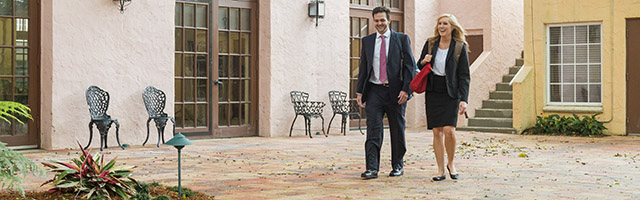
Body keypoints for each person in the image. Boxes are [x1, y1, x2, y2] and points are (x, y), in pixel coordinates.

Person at [356, 6, 416, 180]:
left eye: (382, 20)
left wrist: (406, 89)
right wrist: (360, 91)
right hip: (374, 91)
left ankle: (397, 166)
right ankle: (372, 168)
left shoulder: (401, 39)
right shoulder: (367, 41)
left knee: (397, 130)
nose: (379, 23)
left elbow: (410, 66)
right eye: (376, 20)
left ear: (389, 21)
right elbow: (364, 68)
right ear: (373, 21)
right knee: (373, 129)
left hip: (396, 92)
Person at [416, 14, 470, 181]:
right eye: (439, 23)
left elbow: (464, 75)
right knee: (437, 131)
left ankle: (451, 163)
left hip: (451, 92)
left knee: (449, 130)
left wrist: (464, 99)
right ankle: (440, 169)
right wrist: (424, 61)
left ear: (452, 26)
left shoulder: (460, 47)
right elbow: (419, 65)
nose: (441, 26)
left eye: (445, 23)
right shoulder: (431, 43)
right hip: (433, 91)